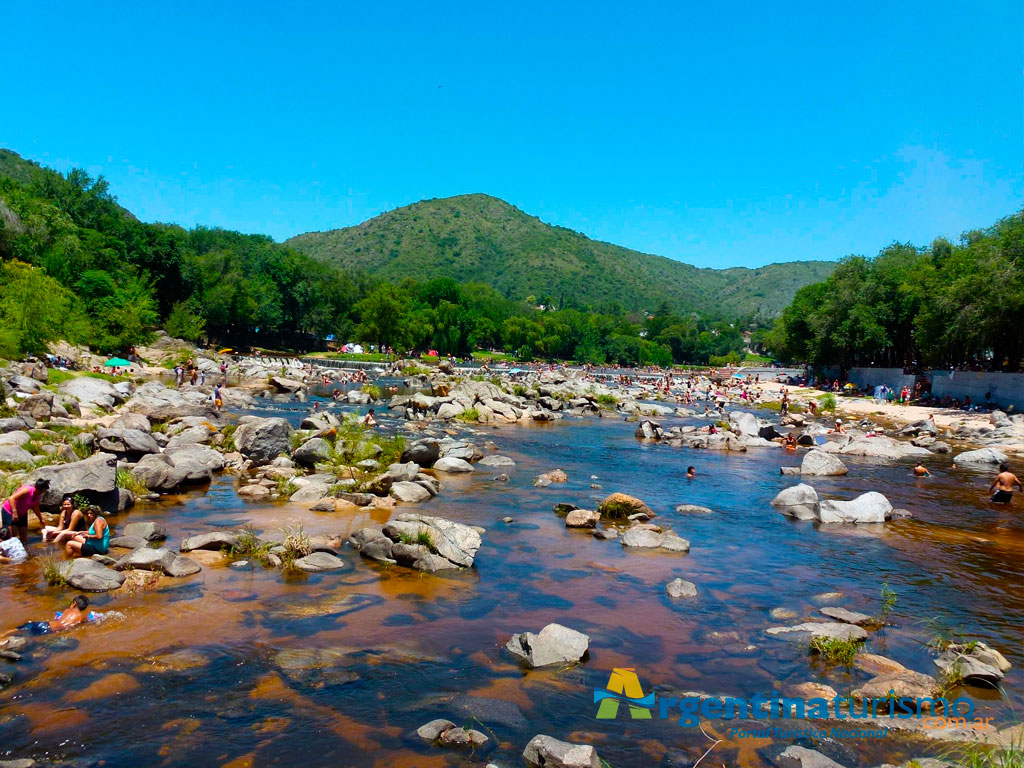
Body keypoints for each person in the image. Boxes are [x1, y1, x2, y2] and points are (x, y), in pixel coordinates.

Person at [2, 478, 49, 544]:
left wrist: (41, 519)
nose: (43, 493)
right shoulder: (27, 491)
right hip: (9, 511)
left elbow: (35, 507)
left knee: (24, 538)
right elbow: (11, 498)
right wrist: (14, 512)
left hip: (22, 513)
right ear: (40, 489)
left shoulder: (38, 495)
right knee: (11, 534)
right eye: (43, 491)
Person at [16, 595, 93, 635]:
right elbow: (87, 620)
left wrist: (71, 607)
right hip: (49, 631)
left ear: (74, 604)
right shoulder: (81, 617)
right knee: (27, 634)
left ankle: (4, 634)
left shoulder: (67, 610)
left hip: (46, 624)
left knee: (23, 627)